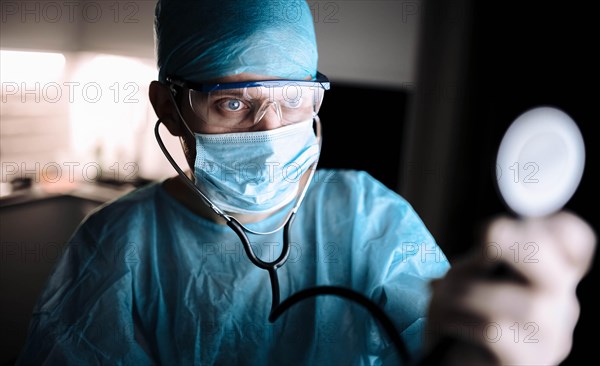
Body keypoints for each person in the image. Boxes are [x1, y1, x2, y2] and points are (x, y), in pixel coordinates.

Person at [16, 1, 596, 365]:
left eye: (293, 98)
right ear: (169, 108)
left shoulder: (370, 216)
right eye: (235, 101)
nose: (270, 131)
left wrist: (491, 347)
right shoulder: (115, 245)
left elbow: (440, 339)